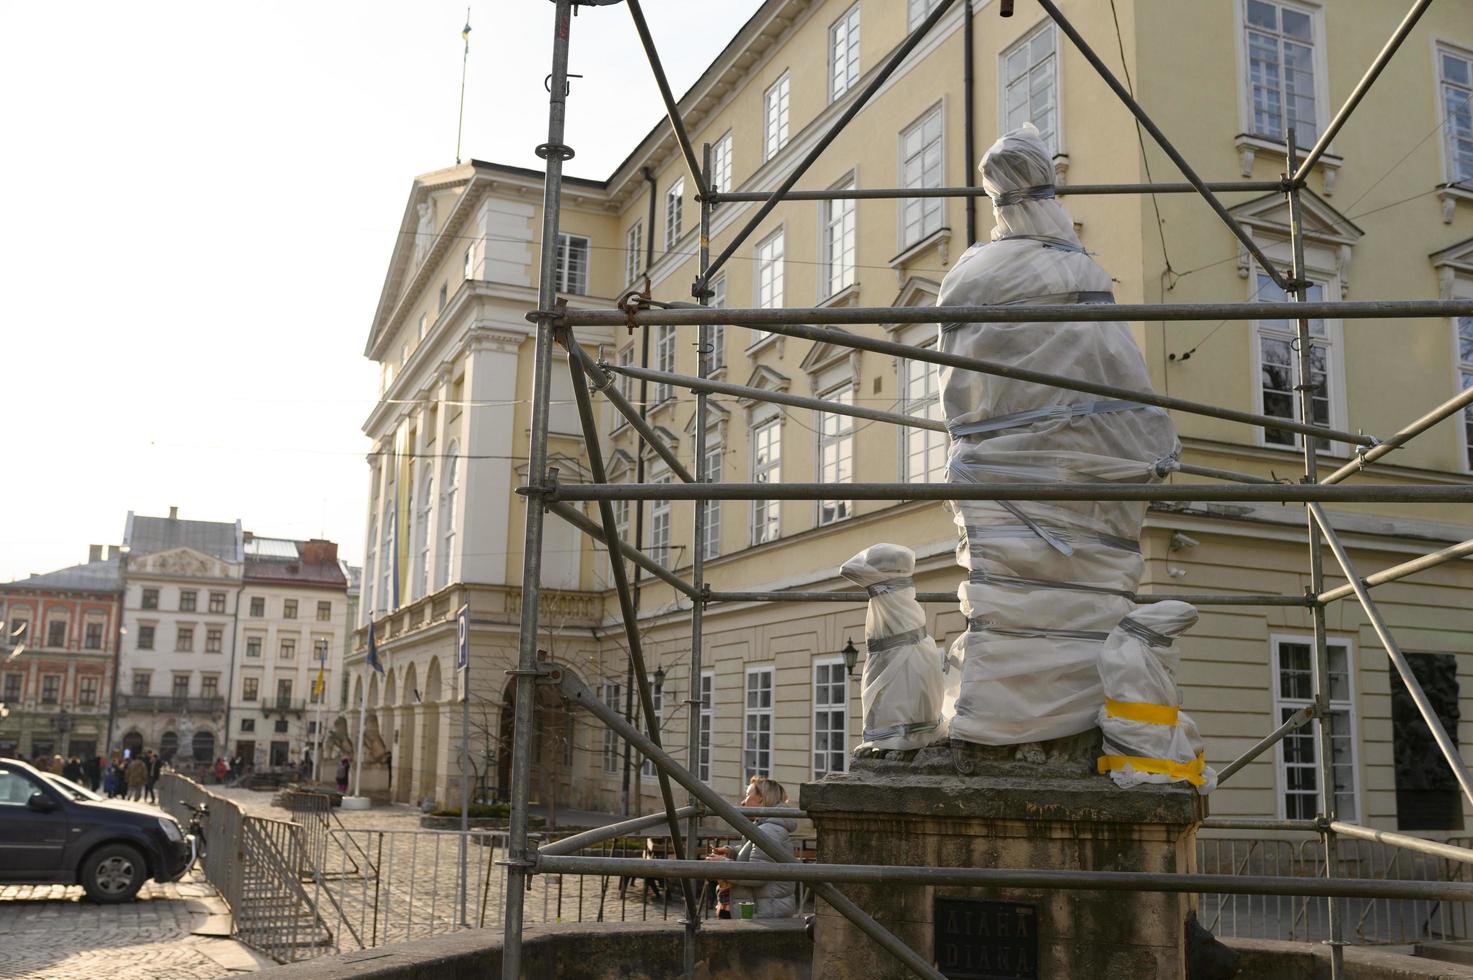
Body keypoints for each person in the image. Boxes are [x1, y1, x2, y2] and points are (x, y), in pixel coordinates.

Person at [703, 775, 798, 918]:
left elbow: (757, 875)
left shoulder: (768, 830)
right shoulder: (764, 827)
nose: (743, 801)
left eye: (748, 795)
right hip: (765, 907)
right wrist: (732, 853)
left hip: (766, 912)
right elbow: (758, 855)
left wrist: (723, 864)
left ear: (761, 799)